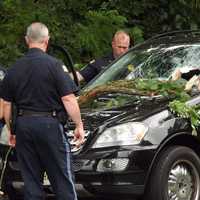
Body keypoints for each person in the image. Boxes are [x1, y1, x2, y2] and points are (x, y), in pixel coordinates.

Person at [2, 22, 85, 200]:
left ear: (27, 40)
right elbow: (68, 99)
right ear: (47, 41)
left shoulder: (14, 69)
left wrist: (12, 130)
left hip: (24, 126)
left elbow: (6, 106)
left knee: (31, 184)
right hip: (50, 126)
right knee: (63, 180)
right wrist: (79, 125)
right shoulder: (54, 66)